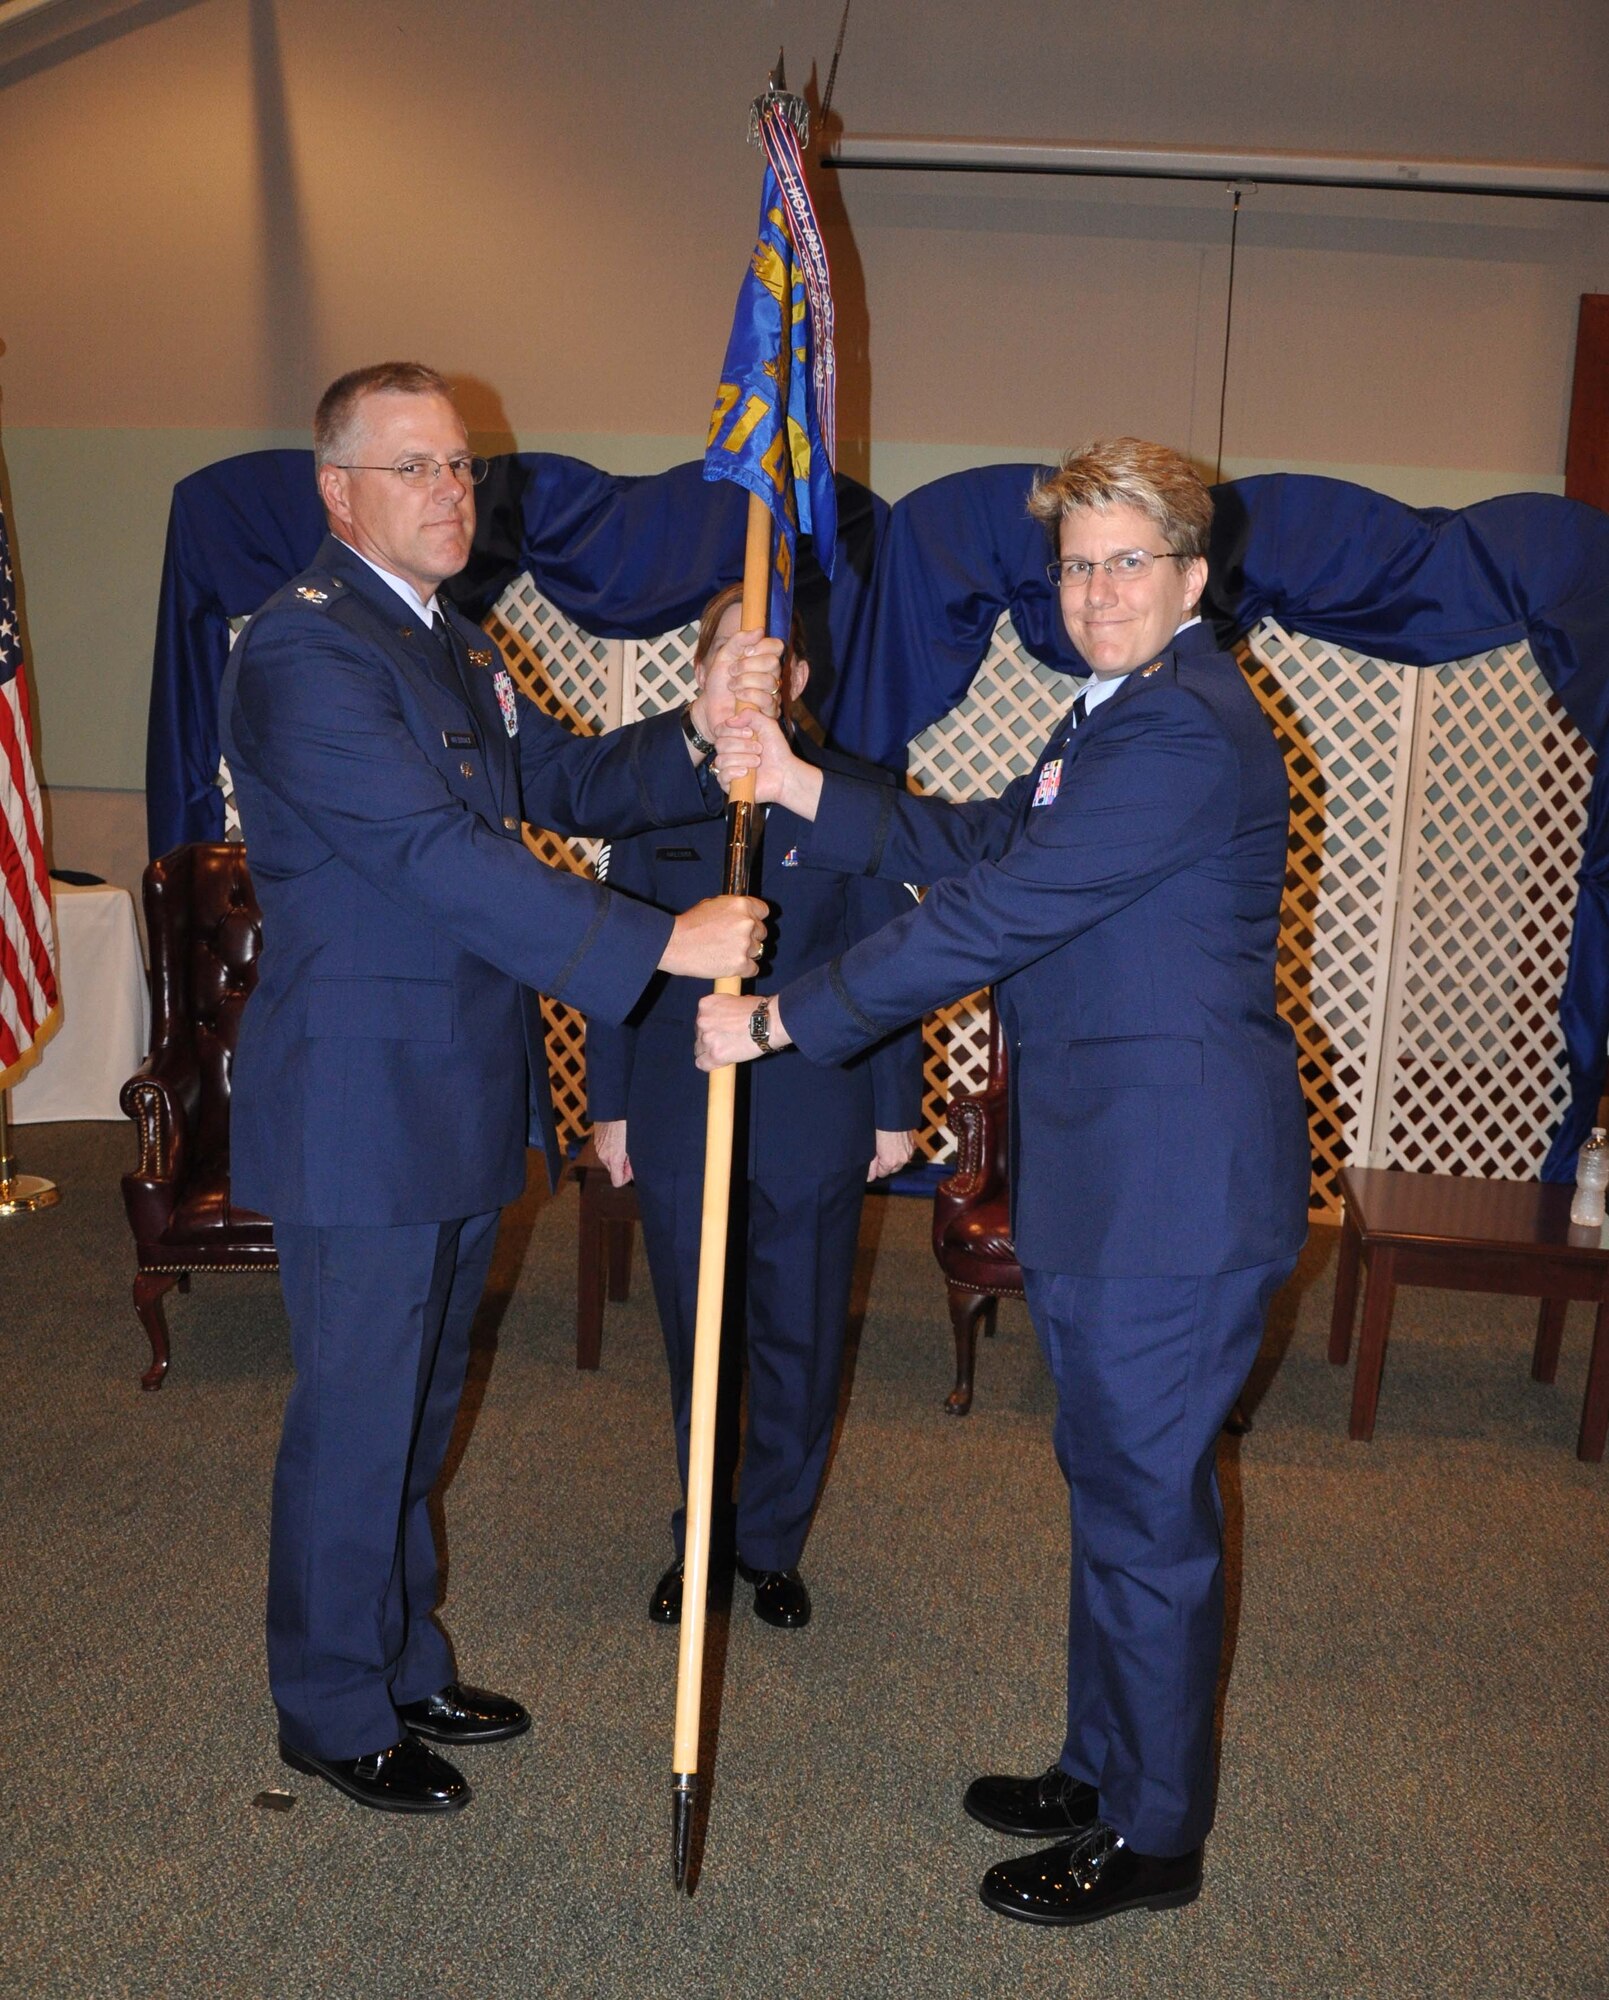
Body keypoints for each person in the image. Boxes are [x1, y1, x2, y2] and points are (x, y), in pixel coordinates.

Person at [697, 439, 1309, 1927]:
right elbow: (975, 837)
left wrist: (787, 1016)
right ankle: (1104, 1766)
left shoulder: (1179, 732)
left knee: (1146, 1515)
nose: (1097, 591)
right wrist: (794, 780)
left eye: (1128, 563)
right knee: (1112, 1490)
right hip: (1117, 1176)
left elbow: (1002, 905)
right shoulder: (1110, 716)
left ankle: (1154, 1837)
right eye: (1078, 564)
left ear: (1192, 579)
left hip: (1169, 1188)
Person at [220, 361, 779, 1816]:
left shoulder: (452, 642)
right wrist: (659, 945)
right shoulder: (304, 650)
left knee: (418, 1401)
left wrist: (697, 720)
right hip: (360, 1101)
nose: (451, 491)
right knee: (358, 1410)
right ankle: (332, 1707)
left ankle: (400, 1658)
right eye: (415, 468)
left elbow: (565, 782)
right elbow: (432, 855)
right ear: (337, 491)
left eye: (461, 467)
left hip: (456, 1086)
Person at [585, 586, 923, 1631]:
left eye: (769, 658)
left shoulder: (854, 793)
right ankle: (703, 1533)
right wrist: (610, 1107)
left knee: (799, 1336)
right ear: (698, 670)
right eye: (727, 654)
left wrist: (890, 1109)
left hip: (812, 1107)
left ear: (799, 680)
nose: (747, 675)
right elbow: (614, 957)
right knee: (698, 1337)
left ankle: (769, 1542)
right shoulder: (649, 795)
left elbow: (888, 962)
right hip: (678, 1106)